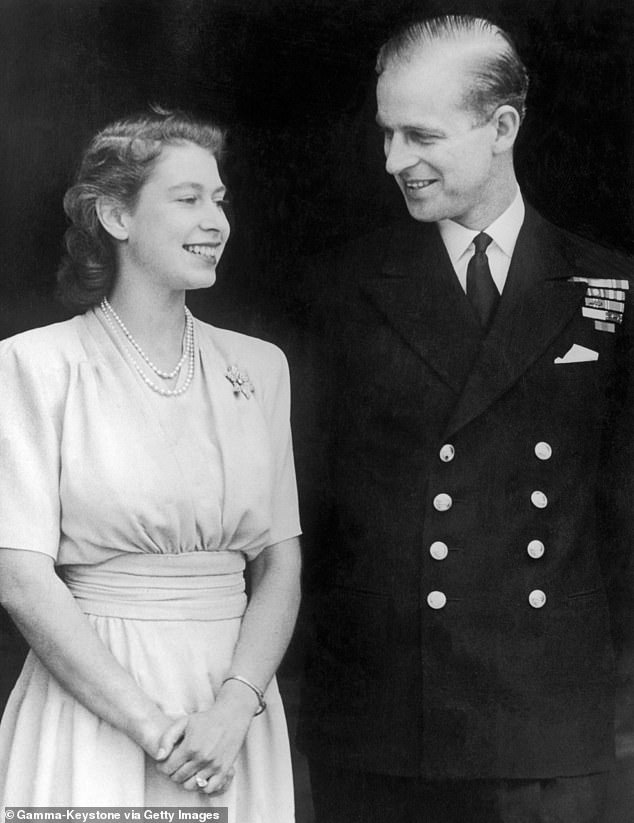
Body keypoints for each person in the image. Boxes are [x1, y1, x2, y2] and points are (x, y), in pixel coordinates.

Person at [297, 14, 634, 823]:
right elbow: (309, 506)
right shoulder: (341, 286)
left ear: (502, 126)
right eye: (385, 135)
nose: (394, 162)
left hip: (543, 721)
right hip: (381, 721)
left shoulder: (609, 286)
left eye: (420, 135)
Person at [0, 108, 301, 820]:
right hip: (94, 709)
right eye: (188, 198)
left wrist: (233, 709)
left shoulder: (260, 368)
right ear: (116, 214)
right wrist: (154, 729)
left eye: (220, 200)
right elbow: (18, 575)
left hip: (233, 717)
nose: (216, 220)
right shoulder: (36, 367)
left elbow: (280, 565)